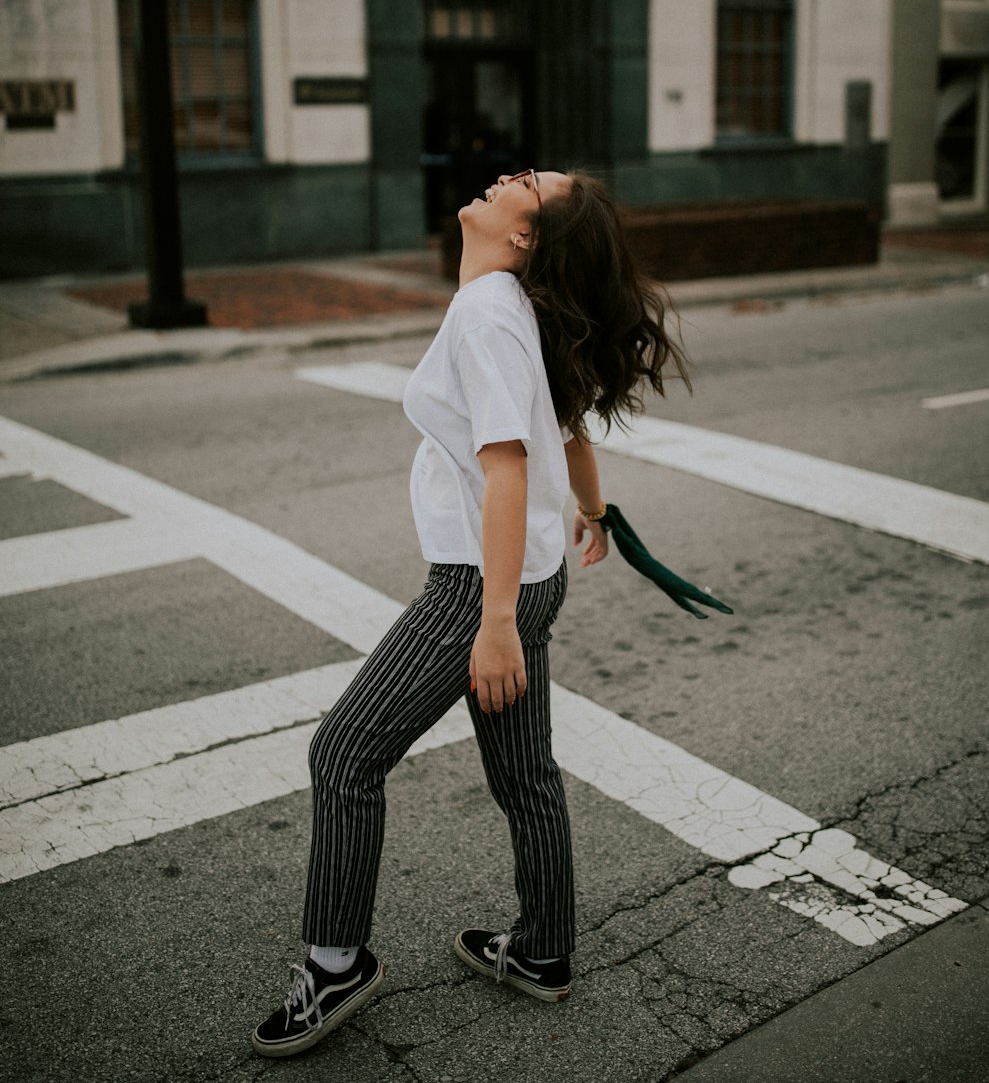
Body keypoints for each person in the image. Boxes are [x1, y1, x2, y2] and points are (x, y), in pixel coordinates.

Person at [252, 169, 689, 1058]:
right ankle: (542, 950)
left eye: (525, 183)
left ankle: (334, 965)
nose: (503, 176)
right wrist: (594, 513)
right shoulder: (518, 308)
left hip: (476, 589)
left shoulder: (489, 309)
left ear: (524, 236)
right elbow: (567, 421)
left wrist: (490, 623)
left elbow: (507, 469)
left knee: (342, 754)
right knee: (526, 777)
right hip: (531, 576)